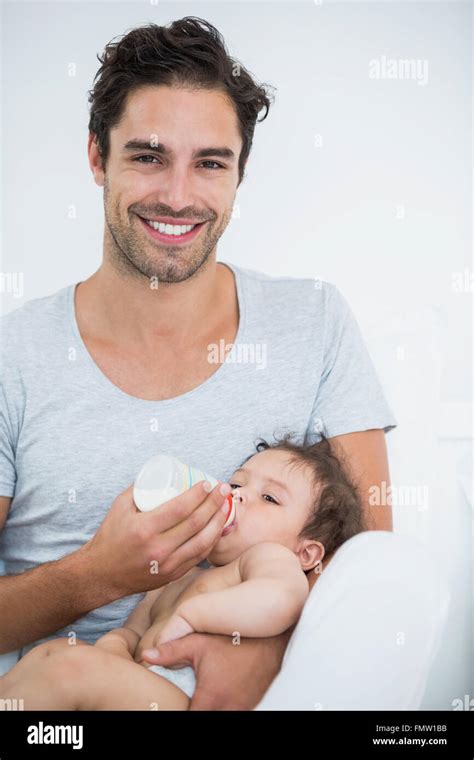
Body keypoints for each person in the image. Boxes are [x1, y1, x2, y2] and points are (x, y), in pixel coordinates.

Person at [0, 17, 397, 710]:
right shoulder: (14, 356)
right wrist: (98, 576)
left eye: (210, 162)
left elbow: (370, 583)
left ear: (240, 173)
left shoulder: (314, 323)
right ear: (97, 157)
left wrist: (260, 648)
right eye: (148, 156)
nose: (179, 196)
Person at [0, 436, 366, 710]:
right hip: (146, 686)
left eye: (269, 498)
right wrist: (116, 644)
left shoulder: (268, 559)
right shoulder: (179, 574)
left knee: (68, 671)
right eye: (237, 484)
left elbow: (282, 600)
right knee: (53, 654)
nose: (236, 496)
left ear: (307, 552)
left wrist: (195, 614)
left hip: (187, 697)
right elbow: (134, 630)